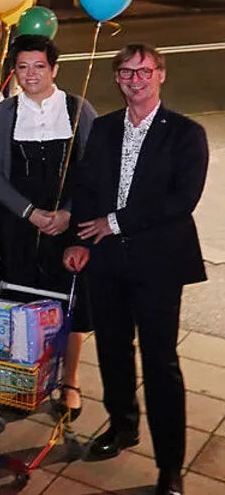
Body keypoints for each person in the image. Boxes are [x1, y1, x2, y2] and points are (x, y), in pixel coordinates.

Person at [63, 44, 207, 495]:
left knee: (161, 362)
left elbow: (181, 200)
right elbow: (85, 188)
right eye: (127, 72)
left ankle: (170, 465)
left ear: (160, 74)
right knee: (112, 350)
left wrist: (115, 222)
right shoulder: (104, 128)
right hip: (106, 261)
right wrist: (79, 240)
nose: (136, 79)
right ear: (117, 79)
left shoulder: (186, 134)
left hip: (159, 263)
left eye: (144, 71)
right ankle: (123, 425)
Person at [0, 35, 96, 421]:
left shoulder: (79, 109)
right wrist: (30, 213)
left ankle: (69, 383)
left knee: (71, 303)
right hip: (18, 224)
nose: (31, 74)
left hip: (68, 226)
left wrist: (68, 213)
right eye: (23, 67)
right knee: (19, 304)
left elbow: (94, 172)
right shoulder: (5, 113)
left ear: (54, 69)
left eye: (39, 66)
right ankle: (19, 382)